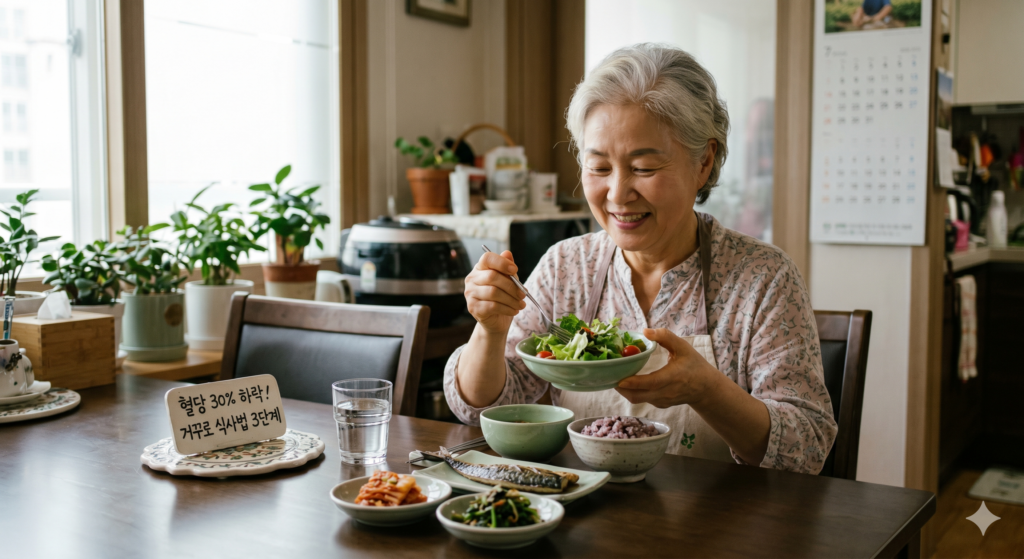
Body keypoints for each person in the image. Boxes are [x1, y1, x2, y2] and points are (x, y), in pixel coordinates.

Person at [444, 44, 837, 474]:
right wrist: (491, 329)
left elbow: (807, 447)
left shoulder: (761, 278)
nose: (617, 194)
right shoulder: (567, 267)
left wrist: (706, 390)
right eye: (598, 167)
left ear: (703, 162)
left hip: (718, 529)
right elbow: (485, 405)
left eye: (644, 168)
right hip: (578, 519)